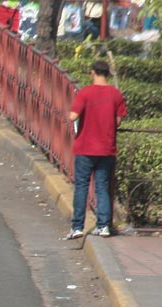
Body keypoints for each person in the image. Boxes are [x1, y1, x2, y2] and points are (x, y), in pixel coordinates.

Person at [66, 60, 127, 239]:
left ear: (92, 72)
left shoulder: (85, 93)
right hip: (107, 148)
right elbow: (118, 121)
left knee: (81, 187)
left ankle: (77, 227)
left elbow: (73, 116)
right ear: (107, 73)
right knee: (102, 187)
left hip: (85, 147)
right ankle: (103, 226)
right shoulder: (115, 94)